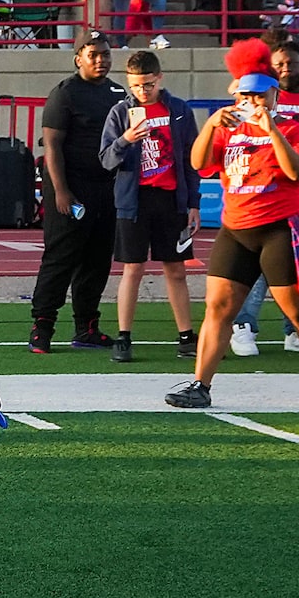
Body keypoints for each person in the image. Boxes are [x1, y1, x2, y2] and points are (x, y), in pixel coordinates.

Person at [167, 40, 299, 411]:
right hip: (237, 227)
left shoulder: (295, 130)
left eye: (260, 95)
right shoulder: (229, 128)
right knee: (218, 308)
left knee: (298, 310)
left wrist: (272, 130)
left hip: (279, 226)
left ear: (273, 95)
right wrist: (212, 124)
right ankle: (200, 383)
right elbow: (200, 163)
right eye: (246, 94)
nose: (253, 101)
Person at [97, 49, 200, 366]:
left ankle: (186, 335)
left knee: (176, 270)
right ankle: (124, 336)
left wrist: (194, 203)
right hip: (134, 200)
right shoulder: (120, 111)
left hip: (171, 200)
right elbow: (105, 159)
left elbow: (190, 160)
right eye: (137, 86)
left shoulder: (179, 110)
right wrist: (126, 139)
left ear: (159, 79)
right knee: (133, 268)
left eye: (148, 85)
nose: (143, 91)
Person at [31, 37, 123, 353]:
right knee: (60, 260)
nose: (101, 60)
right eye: (94, 55)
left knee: (97, 262)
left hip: (106, 190)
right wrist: (61, 191)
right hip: (72, 189)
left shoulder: (118, 93)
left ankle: (86, 328)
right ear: (78, 58)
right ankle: (41, 328)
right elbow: (52, 147)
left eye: (106, 55)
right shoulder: (65, 93)